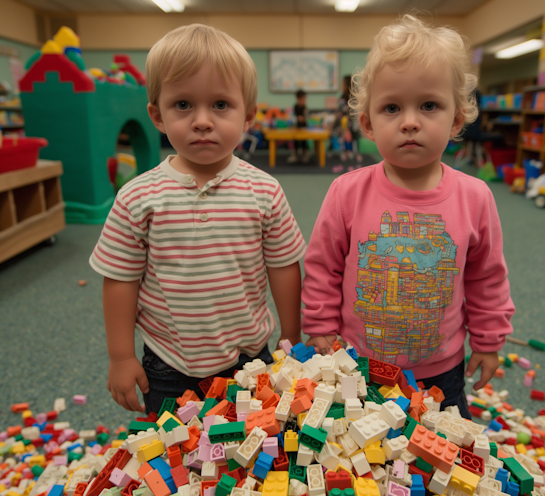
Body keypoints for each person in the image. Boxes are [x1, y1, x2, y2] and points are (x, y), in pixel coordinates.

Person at [301, 14, 514, 419]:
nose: (411, 121)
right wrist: (321, 327)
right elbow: (322, 266)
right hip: (358, 364)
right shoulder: (346, 192)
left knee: (440, 463)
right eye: (392, 108)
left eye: (429, 105)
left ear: (455, 119)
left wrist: (488, 341)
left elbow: (487, 277)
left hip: (441, 371)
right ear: (368, 122)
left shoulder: (475, 197)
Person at [89, 24, 306, 414]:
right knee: (170, 454)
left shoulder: (265, 190)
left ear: (248, 115)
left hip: (249, 356)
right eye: (183, 105)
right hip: (169, 361)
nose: (202, 120)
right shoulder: (138, 196)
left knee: (251, 446)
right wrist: (120, 357)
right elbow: (120, 278)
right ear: (157, 115)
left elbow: (284, 266)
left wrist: (291, 336)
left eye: (221, 105)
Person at [288, 89, 309, 163]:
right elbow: (294, 117)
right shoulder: (295, 107)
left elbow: (305, 117)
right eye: (302, 99)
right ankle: (295, 155)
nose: (304, 100)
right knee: (295, 140)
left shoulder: (304, 107)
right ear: (298, 99)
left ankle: (305, 154)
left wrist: (303, 118)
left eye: (304, 99)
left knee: (304, 141)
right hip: (297, 127)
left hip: (304, 127)